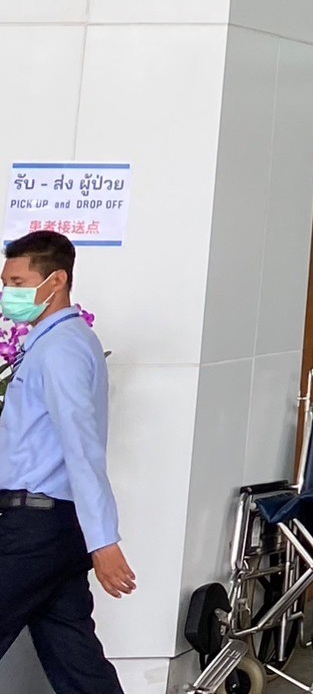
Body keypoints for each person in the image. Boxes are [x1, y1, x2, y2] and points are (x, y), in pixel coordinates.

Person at [0, 230, 132, 694]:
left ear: (56, 281)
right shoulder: (55, 343)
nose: (8, 294)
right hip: (52, 526)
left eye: (18, 283)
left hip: (36, 526)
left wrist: (103, 540)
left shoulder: (61, 351)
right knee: (75, 660)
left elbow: (81, 447)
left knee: (74, 657)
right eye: (5, 283)